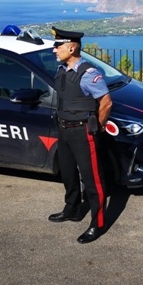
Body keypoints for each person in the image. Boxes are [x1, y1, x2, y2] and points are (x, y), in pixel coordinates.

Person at [47, 27, 113, 244]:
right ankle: (72, 209)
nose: (55, 49)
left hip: (83, 130)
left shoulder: (88, 73)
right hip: (64, 129)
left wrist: (99, 127)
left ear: (71, 47)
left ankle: (98, 223)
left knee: (92, 180)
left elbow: (106, 103)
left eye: (58, 45)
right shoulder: (62, 70)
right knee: (67, 173)